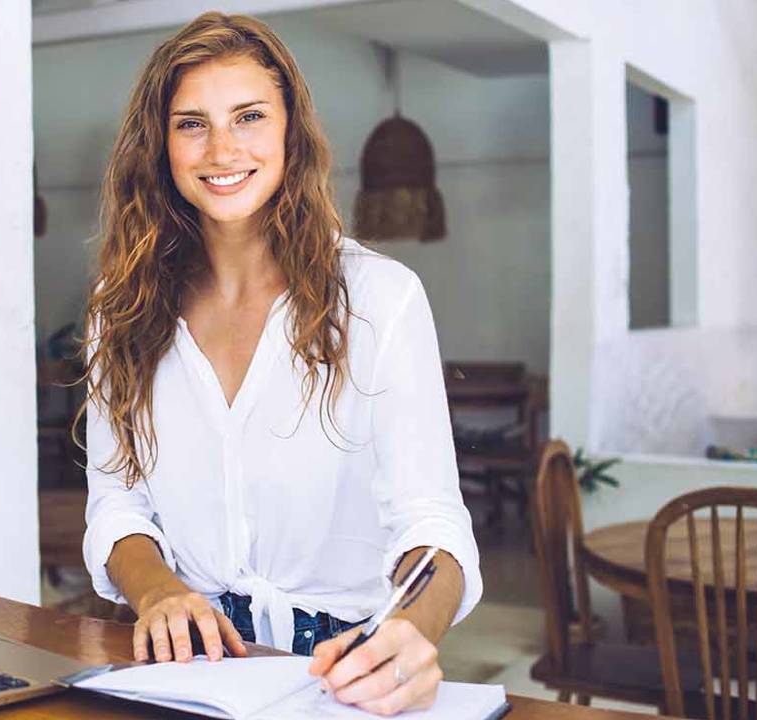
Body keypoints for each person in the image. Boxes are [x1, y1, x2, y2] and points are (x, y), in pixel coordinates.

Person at [78, 11, 481, 716]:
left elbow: (432, 525)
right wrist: (159, 591)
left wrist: (412, 632)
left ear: (291, 133)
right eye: (192, 123)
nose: (222, 148)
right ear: (161, 144)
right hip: (185, 672)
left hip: (340, 677)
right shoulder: (120, 308)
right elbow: (117, 503)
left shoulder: (380, 299)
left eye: (250, 116)